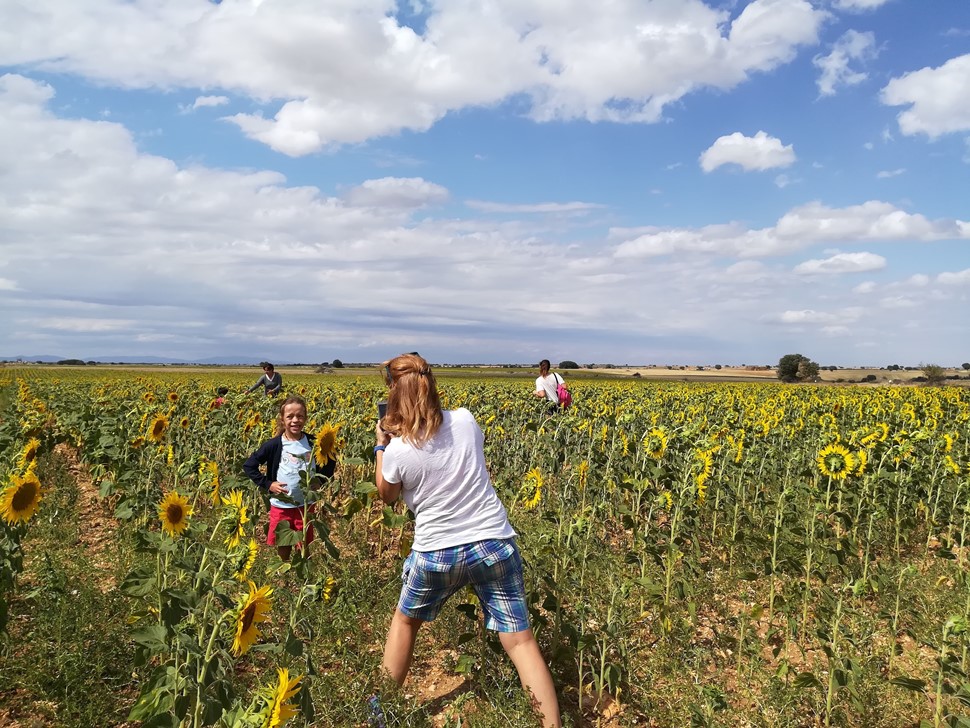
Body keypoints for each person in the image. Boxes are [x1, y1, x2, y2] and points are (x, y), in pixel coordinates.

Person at [373, 354, 561, 728]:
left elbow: (386, 494)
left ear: (395, 395)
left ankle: (381, 713)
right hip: (492, 541)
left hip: (437, 550)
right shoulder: (466, 419)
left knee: (406, 622)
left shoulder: (396, 451)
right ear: (431, 384)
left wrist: (381, 445)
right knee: (521, 642)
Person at [243, 395, 335, 561]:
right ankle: (283, 571)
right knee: (284, 541)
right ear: (282, 419)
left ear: (306, 418)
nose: (295, 420)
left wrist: (320, 481)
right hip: (282, 504)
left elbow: (330, 462)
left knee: (305, 543)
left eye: (300, 416)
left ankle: (304, 574)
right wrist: (268, 484)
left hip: (305, 504)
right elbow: (249, 465)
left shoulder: (313, 442)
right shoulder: (274, 445)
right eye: (290, 416)